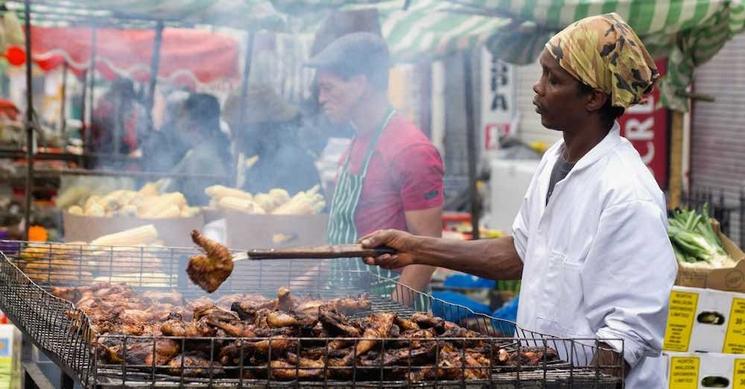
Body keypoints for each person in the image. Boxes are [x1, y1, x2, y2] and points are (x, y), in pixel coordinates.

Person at [360, 13, 676, 386]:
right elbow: (517, 255)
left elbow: (626, 339)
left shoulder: (627, 193)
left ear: (594, 97)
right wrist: (416, 249)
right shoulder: (553, 161)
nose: (538, 88)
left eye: (553, 80)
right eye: (541, 74)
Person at [306, 32, 444, 297]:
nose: (321, 98)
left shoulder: (411, 150)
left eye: (328, 87)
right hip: (345, 302)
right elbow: (348, 242)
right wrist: (301, 284)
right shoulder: (356, 142)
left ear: (359, 84)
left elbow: (429, 252)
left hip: (387, 313)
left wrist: (388, 316)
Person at [225, 85, 322, 195]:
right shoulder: (262, 164)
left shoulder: (290, 163)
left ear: (260, 129)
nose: (234, 138)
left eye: (237, 131)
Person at [168, 93, 232, 205]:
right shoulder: (205, 150)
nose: (177, 122)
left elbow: (203, 202)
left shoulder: (202, 159)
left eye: (181, 115)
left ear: (193, 125)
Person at [90, 78, 147, 167]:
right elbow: (96, 126)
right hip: (104, 152)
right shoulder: (105, 106)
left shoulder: (134, 110)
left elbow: (134, 138)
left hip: (125, 154)